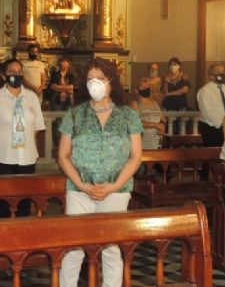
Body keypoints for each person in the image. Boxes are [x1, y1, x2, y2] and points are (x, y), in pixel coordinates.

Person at [57, 58, 143, 287]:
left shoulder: (128, 115)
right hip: (79, 189)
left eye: (100, 79)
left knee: (111, 248)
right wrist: (82, 184)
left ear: (111, 82)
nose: (95, 83)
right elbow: (63, 155)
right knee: (74, 248)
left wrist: (114, 186)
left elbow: (136, 156)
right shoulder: (75, 114)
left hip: (116, 190)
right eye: (90, 79)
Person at [0, 59, 45, 217]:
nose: (15, 74)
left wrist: (22, 140)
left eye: (19, 71)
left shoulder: (32, 97)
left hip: (26, 158)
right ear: (4, 75)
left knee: (23, 205)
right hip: (1, 158)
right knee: (1, 206)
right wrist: (0, 143)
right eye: (11, 72)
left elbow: (37, 127)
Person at [196, 63, 225, 147]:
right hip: (212, 128)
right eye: (219, 71)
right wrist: (221, 124)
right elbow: (206, 112)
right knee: (214, 154)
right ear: (211, 76)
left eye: (223, 71)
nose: (223, 74)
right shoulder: (204, 91)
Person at [130, 78, 166, 150]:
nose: (146, 88)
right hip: (143, 137)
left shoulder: (155, 103)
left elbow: (162, 119)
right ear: (137, 90)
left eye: (147, 87)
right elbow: (135, 121)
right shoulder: (135, 103)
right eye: (143, 87)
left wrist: (162, 127)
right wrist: (155, 125)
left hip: (157, 138)